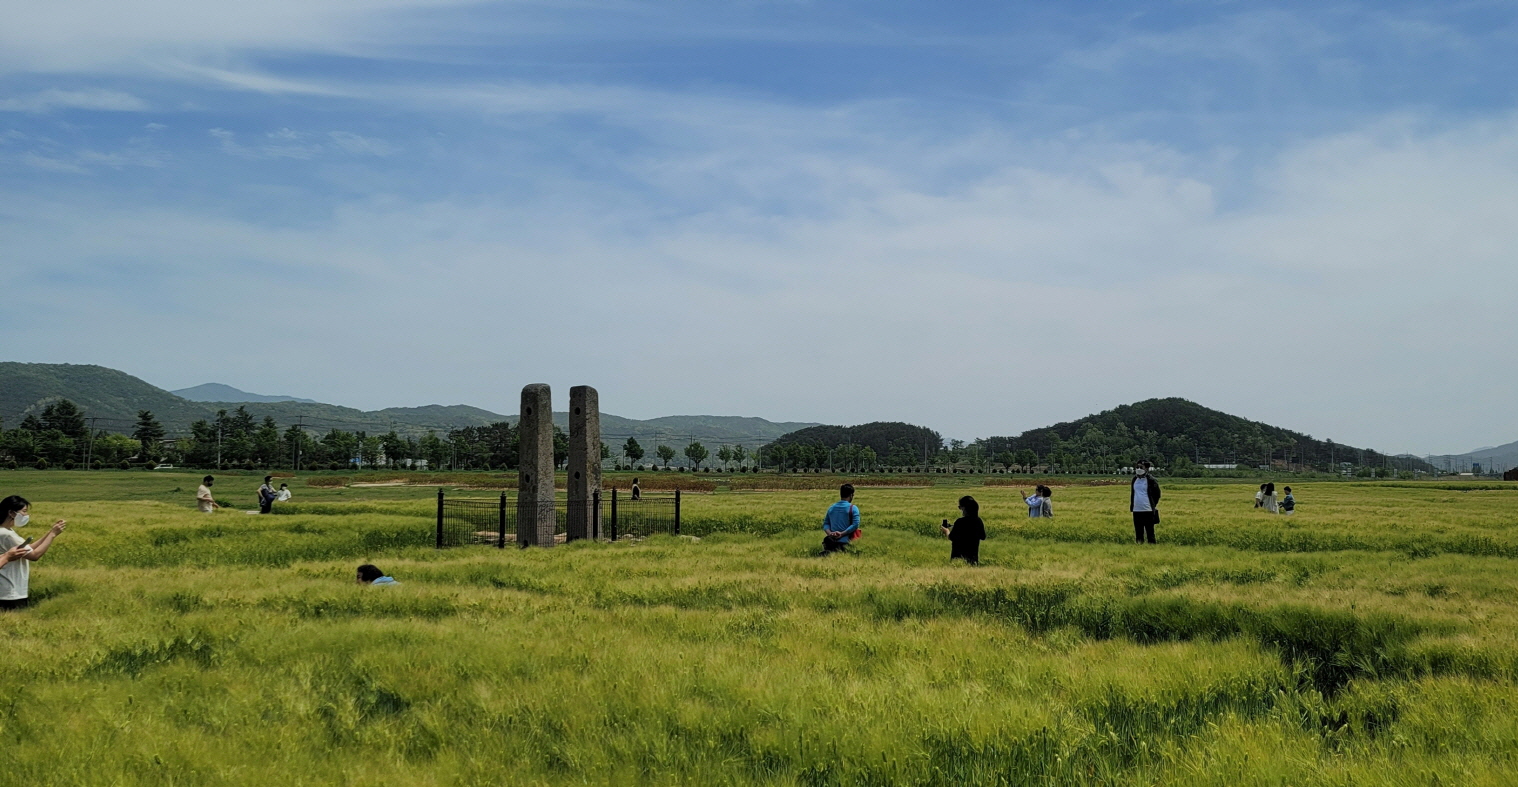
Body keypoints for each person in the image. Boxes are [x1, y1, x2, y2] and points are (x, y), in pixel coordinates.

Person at [0, 495, 68, 610]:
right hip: (10, 590)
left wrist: (51, 532)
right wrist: (52, 535)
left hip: (9, 589)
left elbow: (29, 548)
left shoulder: (6, 531)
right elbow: (34, 555)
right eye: (24, 511)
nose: (26, 515)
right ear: (11, 513)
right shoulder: (6, 534)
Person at [941, 495, 986, 564]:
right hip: (973, 559)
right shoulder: (978, 521)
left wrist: (946, 531)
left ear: (964, 508)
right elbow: (983, 537)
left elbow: (951, 537)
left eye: (960, 507)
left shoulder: (960, 522)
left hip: (957, 558)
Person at [821, 483, 861, 554]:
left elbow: (826, 524)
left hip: (831, 542)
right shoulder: (853, 508)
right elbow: (855, 524)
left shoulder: (831, 508)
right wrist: (842, 534)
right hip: (846, 543)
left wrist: (830, 534)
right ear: (851, 495)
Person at [1130, 460, 1161, 544]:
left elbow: (1157, 494)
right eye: (1137, 467)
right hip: (1136, 510)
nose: (1139, 469)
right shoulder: (1134, 479)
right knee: (1138, 533)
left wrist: (1152, 504)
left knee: (1150, 533)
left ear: (1146, 469)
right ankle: (1139, 549)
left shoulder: (1151, 480)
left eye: (1141, 467)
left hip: (1148, 510)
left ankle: (1152, 549)